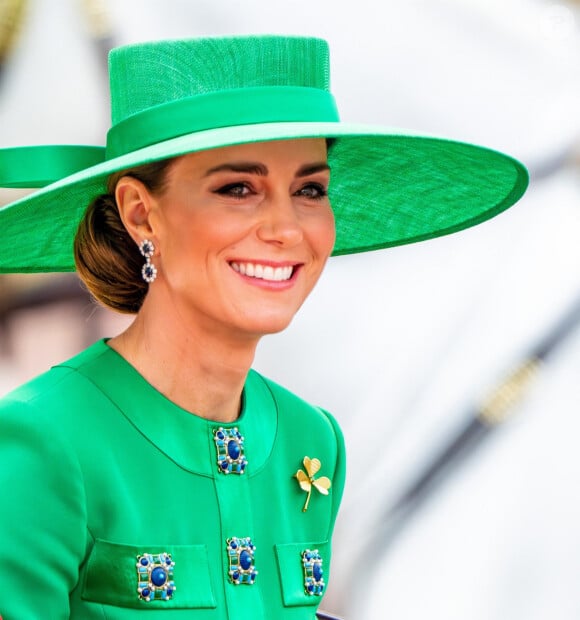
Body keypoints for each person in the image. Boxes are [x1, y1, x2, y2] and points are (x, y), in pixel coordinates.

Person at [0, 34, 528, 618]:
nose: (285, 228)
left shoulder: (312, 440)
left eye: (309, 190)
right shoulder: (43, 439)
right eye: (238, 189)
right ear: (140, 213)